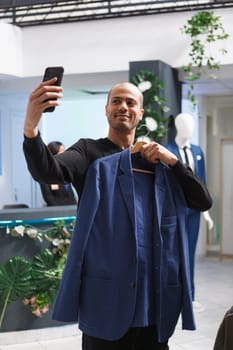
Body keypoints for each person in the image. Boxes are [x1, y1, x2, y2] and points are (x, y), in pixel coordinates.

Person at [23, 78, 212, 350]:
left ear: (140, 113)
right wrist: (31, 128)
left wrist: (173, 161)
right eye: (116, 101)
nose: (123, 106)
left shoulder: (157, 162)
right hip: (106, 304)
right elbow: (48, 171)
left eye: (130, 102)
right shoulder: (89, 152)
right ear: (106, 109)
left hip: (153, 304)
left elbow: (202, 200)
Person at [165, 112, 213, 304]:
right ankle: (174, 294)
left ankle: (190, 296)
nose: (189, 129)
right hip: (175, 211)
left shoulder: (197, 151)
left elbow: (202, 182)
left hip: (193, 212)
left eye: (191, 124)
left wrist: (206, 212)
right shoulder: (167, 150)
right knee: (174, 254)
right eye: (185, 124)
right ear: (178, 126)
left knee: (189, 254)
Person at [39, 141, 77, 206]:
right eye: (61, 151)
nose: (64, 153)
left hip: (71, 209)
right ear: (53, 153)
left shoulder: (65, 169)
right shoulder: (45, 173)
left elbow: (71, 195)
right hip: (56, 211)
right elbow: (48, 198)